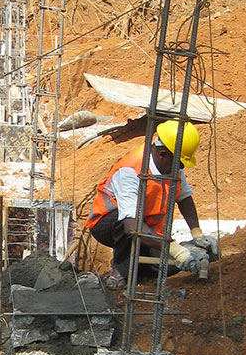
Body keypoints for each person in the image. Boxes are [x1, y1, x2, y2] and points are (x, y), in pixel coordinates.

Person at [86, 120, 220, 290]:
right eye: (178, 163)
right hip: (108, 223)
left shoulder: (171, 166)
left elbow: (184, 197)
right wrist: (175, 250)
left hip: (148, 228)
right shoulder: (131, 170)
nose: (180, 168)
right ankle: (120, 269)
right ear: (163, 154)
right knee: (128, 226)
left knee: (166, 266)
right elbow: (130, 224)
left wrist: (197, 233)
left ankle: (138, 266)